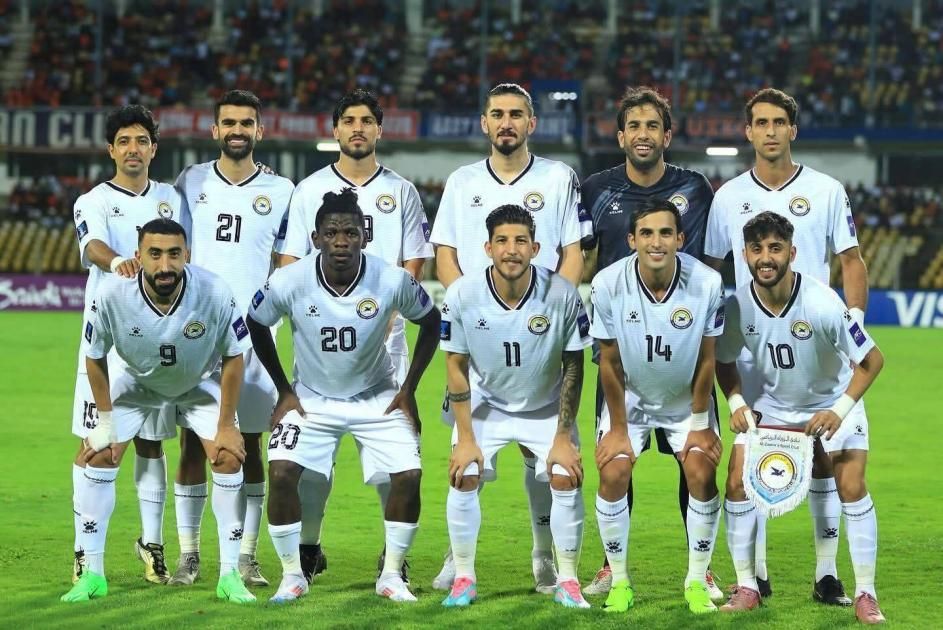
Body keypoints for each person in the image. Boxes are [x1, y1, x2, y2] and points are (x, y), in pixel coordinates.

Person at [704, 88, 868, 604]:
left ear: (792, 130)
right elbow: (710, 271)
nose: (770, 131)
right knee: (749, 462)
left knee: (823, 458)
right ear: (748, 131)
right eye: (761, 122)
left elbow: (851, 260)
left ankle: (826, 574)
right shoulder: (727, 197)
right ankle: (754, 575)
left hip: (815, 344)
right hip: (751, 346)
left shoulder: (826, 190)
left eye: (779, 122)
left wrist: (855, 322)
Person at [429, 82, 589, 593]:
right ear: (484, 123)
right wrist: (476, 311)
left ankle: (544, 554)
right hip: (481, 338)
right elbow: (446, 254)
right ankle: (458, 559)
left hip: (539, 336)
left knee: (540, 460)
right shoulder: (462, 181)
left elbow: (573, 251)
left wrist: (547, 310)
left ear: (531, 123)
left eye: (516, 114)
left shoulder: (558, 177)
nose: (506, 122)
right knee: (465, 461)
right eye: (497, 114)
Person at [247, 188, 441, 603]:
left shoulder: (391, 279)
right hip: (312, 398)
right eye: (331, 233)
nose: (341, 241)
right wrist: (284, 390)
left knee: (409, 475)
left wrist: (408, 389)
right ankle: (292, 575)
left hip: (377, 396)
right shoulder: (289, 280)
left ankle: (392, 575)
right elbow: (256, 322)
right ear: (315, 238)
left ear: (364, 237)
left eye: (350, 233)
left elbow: (431, 322)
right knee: (281, 473)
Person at [276, 88, 433, 583]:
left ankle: (393, 558)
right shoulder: (309, 190)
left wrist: (392, 312)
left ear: (379, 130)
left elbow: (415, 259)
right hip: (320, 347)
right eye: (349, 120)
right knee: (310, 460)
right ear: (336, 129)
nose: (358, 128)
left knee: (392, 461)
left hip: (387, 347)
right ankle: (308, 547)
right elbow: (289, 261)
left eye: (367, 120)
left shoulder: (401, 191)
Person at [61, 219, 255, 604]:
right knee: (98, 454)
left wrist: (226, 425)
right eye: (154, 254)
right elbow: (94, 357)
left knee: (228, 457)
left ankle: (230, 575)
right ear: (138, 256)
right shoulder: (112, 294)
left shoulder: (214, 291)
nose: (165, 265)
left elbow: (235, 356)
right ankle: (92, 574)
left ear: (187, 255)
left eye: (173, 254)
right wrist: (105, 421)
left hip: (198, 382)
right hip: (138, 383)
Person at [580, 86, 722, 599]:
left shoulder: (695, 188)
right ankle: (610, 565)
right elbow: (580, 255)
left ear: (668, 134)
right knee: (616, 461)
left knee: (697, 466)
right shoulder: (595, 189)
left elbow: (710, 257)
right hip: (620, 344)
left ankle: (702, 568)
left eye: (652, 126)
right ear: (621, 136)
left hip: (682, 343)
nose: (643, 135)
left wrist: (699, 311)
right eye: (634, 126)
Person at [714, 212, 885, 624]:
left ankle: (866, 593)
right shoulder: (737, 307)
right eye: (757, 249)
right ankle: (747, 586)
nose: (765, 258)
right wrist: (736, 401)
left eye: (775, 248)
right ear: (745, 255)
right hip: (775, 406)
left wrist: (838, 410)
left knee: (851, 485)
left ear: (792, 253)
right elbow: (723, 359)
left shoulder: (822, 302)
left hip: (834, 401)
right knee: (736, 482)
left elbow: (872, 360)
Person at [170, 89, 294, 588]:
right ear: (215, 129)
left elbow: (287, 261)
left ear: (260, 131)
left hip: (255, 338)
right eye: (229, 122)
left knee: (250, 444)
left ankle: (246, 555)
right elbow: (173, 249)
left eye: (246, 123)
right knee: (192, 444)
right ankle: (189, 554)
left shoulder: (282, 190)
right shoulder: (190, 181)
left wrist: (269, 314)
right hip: (197, 334)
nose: (237, 130)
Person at [440, 205, 592, 609]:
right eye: (503, 241)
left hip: (544, 406)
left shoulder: (561, 294)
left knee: (566, 476)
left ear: (535, 248)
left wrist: (563, 437)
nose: (512, 250)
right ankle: (464, 578)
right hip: (487, 403)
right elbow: (455, 365)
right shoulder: (463, 294)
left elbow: (574, 365)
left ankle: (568, 580)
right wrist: (466, 439)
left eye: (521, 241)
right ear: (488, 247)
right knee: (463, 473)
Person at [590, 199, 725, 614]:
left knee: (701, 472)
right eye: (646, 233)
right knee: (613, 472)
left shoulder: (707, 283)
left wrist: (700, 423)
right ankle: (619, 580)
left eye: (666, 232)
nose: (656, 242)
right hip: (630, 399)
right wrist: (617, 429)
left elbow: (707, 358)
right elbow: (609, 361)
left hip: (686, 399)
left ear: (680, 239)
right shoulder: (607, 283)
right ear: (632, 240)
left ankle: (697, 578)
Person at [70, 105, 184, 586]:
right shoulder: (92, 200)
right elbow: (92, 246)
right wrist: (118, 260)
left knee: (151, 443)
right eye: (124, 141)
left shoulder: (172, 198)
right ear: (111, 150)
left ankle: (152, 544)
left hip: (158, 340)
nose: (133, 149)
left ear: (153, 149)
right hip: (107, 342)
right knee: (98, 443)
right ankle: (85, 553)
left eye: (141, 140)